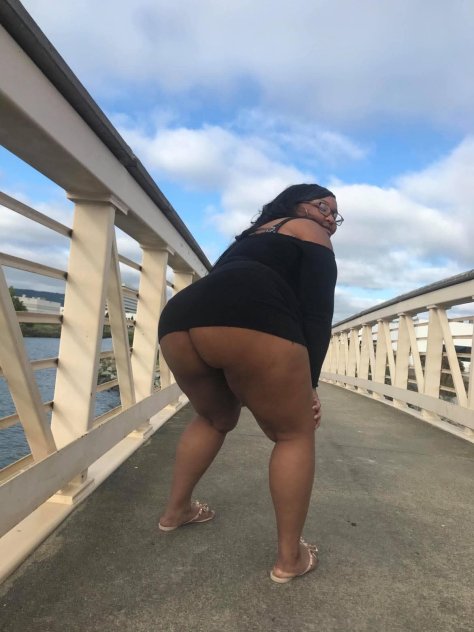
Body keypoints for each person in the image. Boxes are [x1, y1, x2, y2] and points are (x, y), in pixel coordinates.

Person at [157, 183, 341, 583]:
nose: (329, 218)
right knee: (294, 432)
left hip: (179, 318)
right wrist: (309, 384)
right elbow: (317, 311)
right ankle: (290, 559)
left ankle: (176, 512)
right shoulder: (310, 232)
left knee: (214, 417)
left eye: (335, 215)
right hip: (250, 312)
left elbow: (222, 288)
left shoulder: (246, 240)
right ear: (296, 205)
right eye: (323, 207)